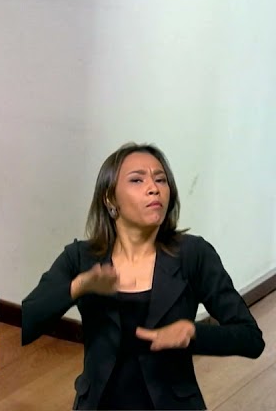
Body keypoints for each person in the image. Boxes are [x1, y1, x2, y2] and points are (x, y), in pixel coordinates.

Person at [21, 143, 264, 410]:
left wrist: (193, 332)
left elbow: (251, 338)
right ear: (110, 199)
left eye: (160, 180)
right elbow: (27, 322)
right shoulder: (80, 257)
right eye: (137, 180)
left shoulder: (194, 254)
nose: (153, 188)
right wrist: (78, 286)